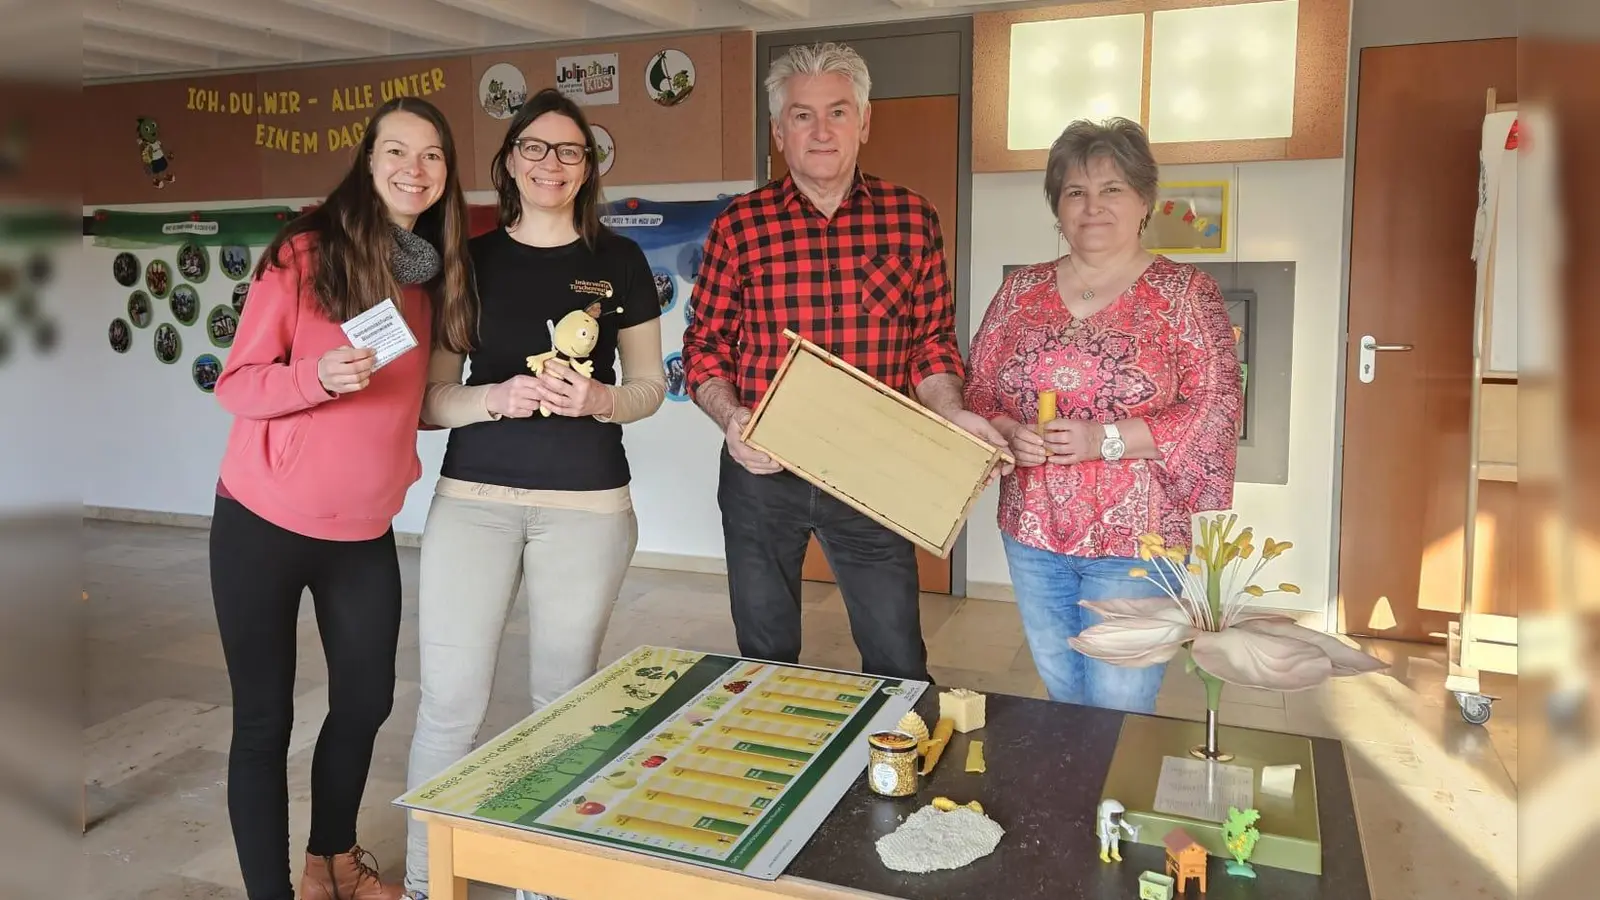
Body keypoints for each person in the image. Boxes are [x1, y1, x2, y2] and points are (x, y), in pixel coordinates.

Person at [209, 96, 475, 900]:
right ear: (368, 160)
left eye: (432, 156)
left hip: (363, 529)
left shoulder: (432, 275)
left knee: (364, 701)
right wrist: (312, 378)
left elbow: (421, 404)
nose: (414, 170)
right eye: (397, 151)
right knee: (264, 721)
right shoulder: (303, 252)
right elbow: (236, 385)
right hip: (261, 519)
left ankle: (331, 860)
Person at [402, 87, 665, 900]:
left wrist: (599, 400)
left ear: (589, 168)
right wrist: (498, 396)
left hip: (587, 508)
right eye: (536, 149)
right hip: (472, 502)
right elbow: (428, 402)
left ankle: (541, 882)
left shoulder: (618, 261)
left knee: (563, 704)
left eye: (570, 151)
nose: (552, 164)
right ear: (510, 162)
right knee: (450, 703)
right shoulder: (468, 262)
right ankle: (425, 879)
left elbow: (651, 386)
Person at [681, 42, 1007, 683]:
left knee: (897, 656)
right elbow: (705, 347)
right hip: (762, 472)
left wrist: (953, 414)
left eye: (837, 112)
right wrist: (732, 418)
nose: (821, 130)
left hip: (872, 469)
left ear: (864, 122)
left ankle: (898, 776)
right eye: (802, 116)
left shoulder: (912, 219)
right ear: (779, 132)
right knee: (764, 651)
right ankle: (775, 773)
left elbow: (931, 341)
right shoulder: (739, 226)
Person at [963, 117, 1243, 713]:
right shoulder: (1021, 292)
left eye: (1111, 189)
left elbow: (1215, 406)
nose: (1093, 206)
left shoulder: (1185, 293)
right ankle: (1078, 802)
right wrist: (1011, 432)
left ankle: (1109, 805)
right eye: (1075, 192)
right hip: (1033, 530)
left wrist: (1103, 439)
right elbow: (980, 389)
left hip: (1136, 539)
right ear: (1057, 208)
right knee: (1064, 690)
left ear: (1144, 200)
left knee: (1118, 701)